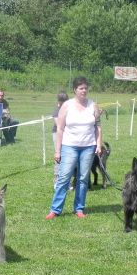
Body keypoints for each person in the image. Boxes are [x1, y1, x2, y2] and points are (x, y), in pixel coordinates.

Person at [46, 76, 102, 220]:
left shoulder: (93, 105)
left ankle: (79, 208)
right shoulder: (67, 106)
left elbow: (98, 127)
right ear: (75, 90)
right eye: (81, 88)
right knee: (64, 177)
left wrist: (99, 144)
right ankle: (55, 210)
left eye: (85, 88)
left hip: (88, 147)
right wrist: (58, 150)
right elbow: (60, 128)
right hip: (69, 146)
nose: (84, 91)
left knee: (83, 178)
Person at [52, 91, 69, 188]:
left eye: (65, 101)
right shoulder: (56, 110)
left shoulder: (70, 109)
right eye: (62, 101)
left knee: (68, 158)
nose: (64, 103)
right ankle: (56, 181)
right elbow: (59, 125)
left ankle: (68, 181)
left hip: (69, 135)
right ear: (59, 101)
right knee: (58, 157)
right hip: (57, 135)